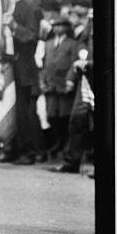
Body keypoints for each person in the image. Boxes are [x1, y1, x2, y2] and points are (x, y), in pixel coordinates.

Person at [1, 0, 45, 164]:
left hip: (25, 68)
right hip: (8, 67)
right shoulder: (2, 8)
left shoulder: (30, 7)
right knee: (10, 110)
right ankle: (11, 148)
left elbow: (32, 36)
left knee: (25, 111)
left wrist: (15, 27)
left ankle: (29, 151)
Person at [40, 17, 83, 161]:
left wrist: (70, 80)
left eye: (61, 25)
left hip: (64, 84)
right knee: (51, 116)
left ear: (67, 27)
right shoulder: (49, 43)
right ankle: (59, 142)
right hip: (51, 85)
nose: (57, 28)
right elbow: (45, 63)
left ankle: (65, 144)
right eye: (55, 25)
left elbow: (74, 63)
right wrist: (43, 81)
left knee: (65, 116)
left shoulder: (72, 44)